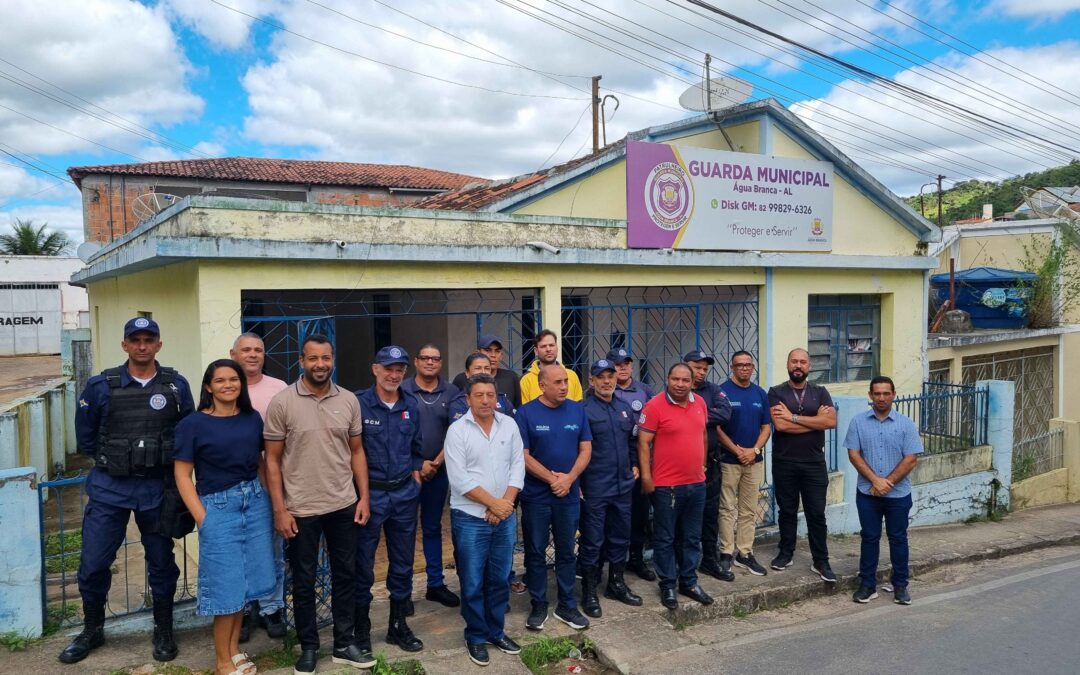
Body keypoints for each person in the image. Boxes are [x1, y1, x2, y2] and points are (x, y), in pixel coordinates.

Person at [60, 317, 195, 665]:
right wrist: (117, 460)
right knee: (93, 563)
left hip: (157, 487)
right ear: (124, 345)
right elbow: (86, 437)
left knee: (162, 563)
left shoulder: (175, 386)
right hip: (111, 486)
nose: (142, 345)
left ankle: (163, 629)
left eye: (149, 339)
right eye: (135, 340)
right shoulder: (101, 386)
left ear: (159, 345)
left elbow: (187, 432)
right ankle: (92, 629)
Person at [264, 334, 374, 674]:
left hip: (343, 503)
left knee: (346, 575)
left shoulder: (349, 400)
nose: (320, 364)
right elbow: (271, 461)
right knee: (304, 580)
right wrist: (280, 509)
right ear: (302, 361)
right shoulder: (282, 402)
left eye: (325, 358)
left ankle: (344, 643)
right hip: (300, 509)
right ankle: (309, 647)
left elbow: (356, 452)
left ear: (333, 359)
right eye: (313, 358)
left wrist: (363, 497)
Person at [174, 359, 275, 675]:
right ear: (208, 386)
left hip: (255, 504)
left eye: (234, 379)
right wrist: (203, 518)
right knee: (226, 586)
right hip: (218, 508)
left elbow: (261, 463)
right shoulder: (193, 424)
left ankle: (233, 651)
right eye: (220, 380)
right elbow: (182, 475)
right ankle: (221, 662)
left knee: (246, 585)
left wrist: (270, 501)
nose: (229, 385)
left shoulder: (251, 418)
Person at [444, 374, 526, 666]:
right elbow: (459, 479)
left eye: (490, 395)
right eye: (478, 395)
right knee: (473, 581)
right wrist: (496, 504)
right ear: (468, 399)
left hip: (503, 516)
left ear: (497, 397)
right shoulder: (457, 431)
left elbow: (518, 465)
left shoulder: (510, 425)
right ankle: (476, 636)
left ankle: (496, 631)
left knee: (499, 578)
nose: (485, 400)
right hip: (470, 518)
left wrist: (505, 504)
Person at [353, 346, 425, 653]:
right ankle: (361, 629)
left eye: (400, 369)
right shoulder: (358, 404)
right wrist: (361, 496)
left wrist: (416, 477)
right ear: (375, 369)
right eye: (388, 368)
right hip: (371, 496)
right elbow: (349, 452)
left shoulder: (411, 405)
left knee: (402, 564)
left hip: (404, 495)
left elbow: (417, 449)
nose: (394, 374)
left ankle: (397, 626)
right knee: (363, 566)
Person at [517, 364, 593, 631]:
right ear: (542, 385)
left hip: (568, 496)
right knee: (535, 552)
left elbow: (585, 449)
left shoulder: (576, 409)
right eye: (558, 382)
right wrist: (553, 480)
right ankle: (539, 604)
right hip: (536, 497)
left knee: (566, 552)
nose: (564, 386)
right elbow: (523, 456)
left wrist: (569, 479)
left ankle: (567, 605)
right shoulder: (525, 413)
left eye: (566, 381)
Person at [637, 363, 713, 610]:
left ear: (692, 382)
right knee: (665, 538)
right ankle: (668, 584)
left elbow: (702, 435)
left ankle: (689, 582)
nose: (680, 384)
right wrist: (647, 478)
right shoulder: (655, 405)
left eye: (685, 380)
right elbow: (643, 443)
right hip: (666, 486)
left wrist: (702, 465)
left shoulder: (700, 403)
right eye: (675, 379)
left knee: (691, 537)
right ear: (667, 379)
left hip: (696, 484)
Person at [229, 332, 288, 642]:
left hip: (271, 481)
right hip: (232, 485)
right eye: (246, 350)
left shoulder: (278, 389)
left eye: (258, 350)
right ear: (233, 353)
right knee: (239, 551)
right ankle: (245, 609)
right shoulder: (226, 387)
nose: (252, 355)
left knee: (272, 549)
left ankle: (272, 607)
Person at [846, 376, 922, 606]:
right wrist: (874, 481)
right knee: (869, 538)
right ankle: (867, 584)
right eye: (876, 393)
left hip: (898, 495)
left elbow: (911, 458)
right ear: (870, 395)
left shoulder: (906, 424)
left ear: (893, 395)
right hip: (867, 494)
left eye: (885, 393)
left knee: (898, 539)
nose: (881, 397)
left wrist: (886, 482)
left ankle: (900, 585)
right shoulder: (858, 422)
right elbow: (853, 454)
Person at [578, 359, 643, 618]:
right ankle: (590, 591)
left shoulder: (624, 408)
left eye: (610, 376)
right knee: (593, 541)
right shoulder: (582, 410)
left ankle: (616, 584)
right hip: (595, 486)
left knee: (620, 536)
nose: (606, 381)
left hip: (622, 486)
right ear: (591, 381)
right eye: (600, 377)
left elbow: (630, 442)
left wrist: (635, 464)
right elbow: (578, 449)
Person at [768, 348, 838, 583]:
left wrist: (794, 417)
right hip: (784, 462)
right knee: (786, 511)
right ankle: (785, 553)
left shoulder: (820, 392)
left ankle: (821, 560)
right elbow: (781, 427)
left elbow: (831, 421)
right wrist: (815, 422)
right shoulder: (776, 392)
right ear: (787, 364)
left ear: (809, 366)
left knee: (816, 514)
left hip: (814, 463)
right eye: (794, 361)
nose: (798, 365)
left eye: (803, 362)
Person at [401, 344, 461, 609]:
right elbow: (396, 433)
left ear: (440, 363)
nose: (430, 362)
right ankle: (402, 592)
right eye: (424, 358)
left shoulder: (451, 392)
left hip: (439, 471)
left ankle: (435, 584)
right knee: (403, 530)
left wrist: (435, 463)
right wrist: (417, 464)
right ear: (416, 361)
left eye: (435, 358)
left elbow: (456, 431)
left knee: (433, 527)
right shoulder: (401, 390)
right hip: (407, 473)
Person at [717, 351, 772, 577]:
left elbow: (766, 427)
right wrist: (737, 450)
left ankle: (745, 552)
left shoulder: (760, 393)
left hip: (753, 461)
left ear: (753, 367)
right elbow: (717, 428)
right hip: (729, 460)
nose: (744, 368)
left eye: (748, 365)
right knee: (727, 507)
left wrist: (754, 450)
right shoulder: (722, 392)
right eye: (739, 365)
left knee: (749, 509)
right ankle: (726, 552)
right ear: (732, 367)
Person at [682, 350, 732, 582]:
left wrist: (692, 415)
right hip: (682, 466)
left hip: (710, 462)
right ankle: (682, 564)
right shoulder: (677, 388)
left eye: (704, 369)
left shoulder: (713, 391)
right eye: (697, 367)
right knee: (682, 515)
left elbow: (724, 413)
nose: (701, 372)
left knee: (710, 514)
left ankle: (709, 560)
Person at [608, 348, 657, 582]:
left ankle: (636, 558)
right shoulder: (603, 390)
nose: (623, 367)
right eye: (617, 364)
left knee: (639, 512)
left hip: (640, 459)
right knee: (613, 514)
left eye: (626, 363)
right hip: (612, 462)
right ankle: (611, 561)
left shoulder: (645, 391)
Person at [452, 334, 522, 408]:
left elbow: (517, 408)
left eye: (497, 351)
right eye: (488, 350)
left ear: (501, 356)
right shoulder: (461, 379)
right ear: (477, 353)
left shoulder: (511, 377)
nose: (493, 355)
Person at [519, 329, 583, 404]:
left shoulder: (572, 376)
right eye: (543, 346)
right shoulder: (526, 380)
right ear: (536, 351)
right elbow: (526, 411)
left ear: (557, 347)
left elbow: (578, 407)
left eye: (552, 345)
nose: (548, 349)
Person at [450, 353, 516, 422]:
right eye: (478, 368)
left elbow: (510, 426)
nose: (483, 372)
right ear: (467, 373)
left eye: (487, 368)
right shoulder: (458, 403)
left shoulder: (502, 399)